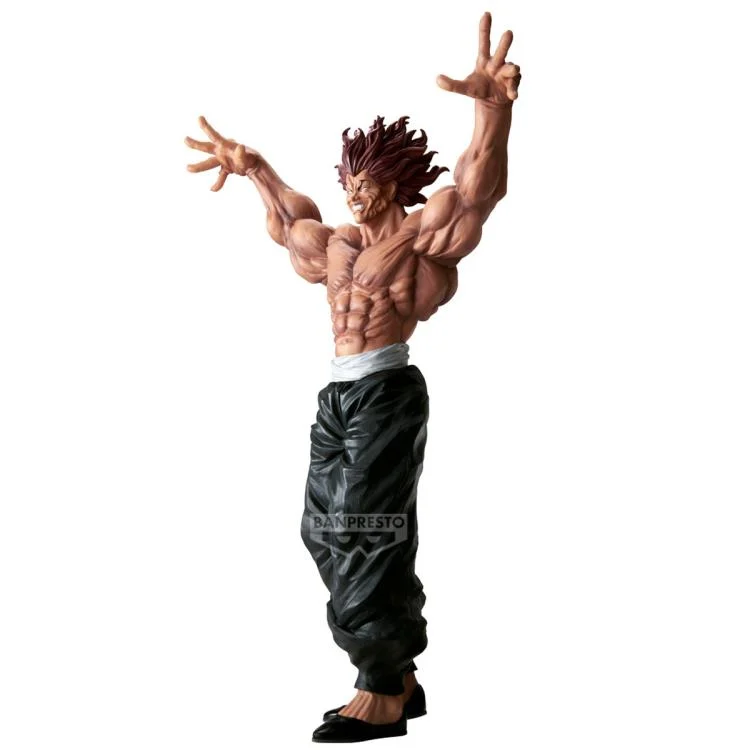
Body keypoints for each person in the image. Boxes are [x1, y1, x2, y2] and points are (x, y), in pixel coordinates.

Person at [185, 12, 520, 743]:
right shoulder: (333, 243)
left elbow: (476, 194)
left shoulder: (420, 237)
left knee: (363, 528)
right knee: (323, 528)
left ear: (391, 183)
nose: (354, 194)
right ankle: (400, 668)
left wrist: (492, 114)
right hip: (338, 394)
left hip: (387, 393)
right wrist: (254, 167)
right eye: (348, 182)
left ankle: (379, 689)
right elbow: (286, 222)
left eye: (364, 183)